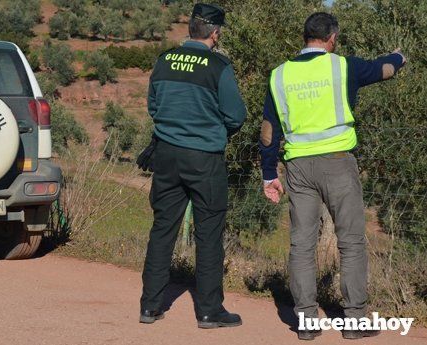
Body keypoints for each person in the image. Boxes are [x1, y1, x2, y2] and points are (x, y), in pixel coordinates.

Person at [259, 12, 406, 341]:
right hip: (338, 163)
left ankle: (307, 323)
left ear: (304, 37)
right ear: (332, 38)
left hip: (297, 167)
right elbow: (385, 69)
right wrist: (400, 56)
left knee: (301, 244)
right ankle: (354, 321)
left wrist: (269, 173)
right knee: (351, 242)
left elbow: (269, 130)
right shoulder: (342, 66)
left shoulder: (280, 75)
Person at [138, 3, 247, 328]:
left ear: (190, 29)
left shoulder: (164, 60)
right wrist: (213, 132)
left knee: (162, 230)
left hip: (167, 155)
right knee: (209, 233)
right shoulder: (218, 66)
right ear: (215, 33)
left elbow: (154, 107)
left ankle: (150, 307)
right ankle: (209, 311)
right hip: (204, 158)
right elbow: (236, 116)